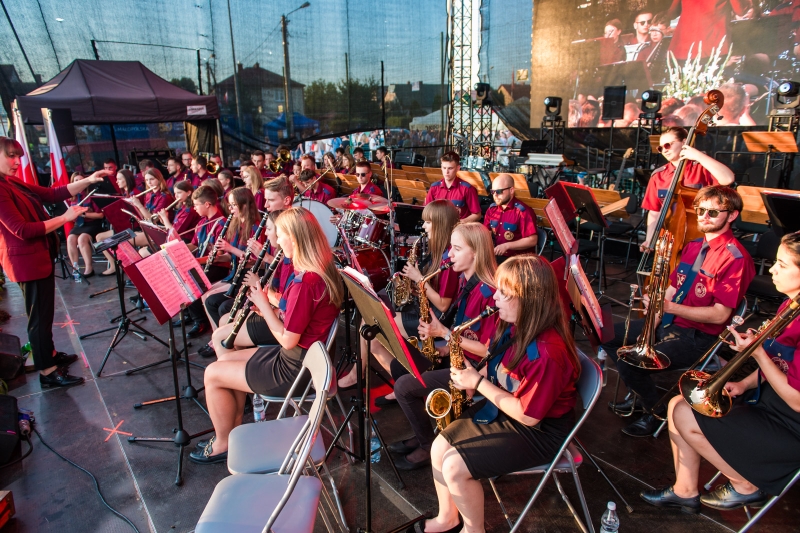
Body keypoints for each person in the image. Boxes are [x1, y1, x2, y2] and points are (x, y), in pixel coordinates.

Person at [407, 255, 580, 533]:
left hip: (540, 430)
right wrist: (470, 373)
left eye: (504, 292)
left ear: (529, 299)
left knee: (454, 468)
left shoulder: (548, 353)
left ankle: (473, 530)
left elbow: (528, 416)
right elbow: (499, 364)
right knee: (439, 446)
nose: (495, 297)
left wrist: (476, 382)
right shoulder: (515, 326)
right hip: (506, 405)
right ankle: (447, 518)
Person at [642, 230, 800, 514]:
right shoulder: (791, 305)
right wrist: (744, 383)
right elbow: (781, 365)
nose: (772, 270)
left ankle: (746, 485)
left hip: (789, 428)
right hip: (769, 404)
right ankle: (684, 491)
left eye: (782, 265)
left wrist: (757, 353)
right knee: (679, 403)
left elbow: (797, 400)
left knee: (684, 414)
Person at [190, 207, 343, 464]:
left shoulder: (306, 282)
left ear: (294, 238)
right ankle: (233, 432)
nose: (278, 241)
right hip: (304, 360)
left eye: (280, 235)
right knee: (224, 361)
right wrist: (269, 305)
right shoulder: (321, 269)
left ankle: (223, 443)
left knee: (212, 374)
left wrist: (263, 304)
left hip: (295, 369)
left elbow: (287, 339)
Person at [602, 186, 755, 437]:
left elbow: (720, 315)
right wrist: (650, 327)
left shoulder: (736, 258)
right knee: (606, 335)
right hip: (668, 322)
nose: (704, 216)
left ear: (732, 215)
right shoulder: (694, 246)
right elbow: (671, 290)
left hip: (698, 337)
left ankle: (654, 412)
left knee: (629, 363)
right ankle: (640, 392)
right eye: (700, 210)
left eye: (713, 212)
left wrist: (670, 308)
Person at [389, 223, 499, 470]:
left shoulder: (489, 293)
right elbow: (466, 331)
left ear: (476, 253)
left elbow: (488, 350)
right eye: (451, 248)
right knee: (399, 365)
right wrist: (444, 347)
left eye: (457, 249)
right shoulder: (464, 280)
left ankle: (428, 445)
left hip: (474, 369)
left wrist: (444, 333)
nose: (449, 254)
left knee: (404, 387)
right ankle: (425, 431)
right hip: (457, 355)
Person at [0, 137, 104, 387]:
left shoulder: (9, 181)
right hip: (27, 263)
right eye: (11, 156)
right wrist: (65, 218)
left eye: (18, 157)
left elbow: (51, 193)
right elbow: (22, 230)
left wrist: (88, 181)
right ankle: (47, 371)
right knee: (38, 318)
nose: (17, 162)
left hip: (38, 257)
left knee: (44, 315)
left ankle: (50, 354)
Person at [338, 200, 461, 390]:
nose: (424, 226)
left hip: (434, 319)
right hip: (426, 310)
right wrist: (414, 286)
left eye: (428, 222)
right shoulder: (437, 251)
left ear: (440, 224)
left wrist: (419, 279)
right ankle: (403, 383)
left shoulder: (449, 258)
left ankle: (359, 374)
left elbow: (444, 305)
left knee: (369, 323)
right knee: (373, 338)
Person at [203, 209, 291, 358]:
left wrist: (258, 287)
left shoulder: (288, 260)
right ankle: (235, 356)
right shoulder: (281, 254)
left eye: (269, 229)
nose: (266, 233)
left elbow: (283, 303)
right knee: (223, 319)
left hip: (279, 319)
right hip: (272, 310)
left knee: (221, 331)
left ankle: (235, 360)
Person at [641, 127, 735, 250]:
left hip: (698, 233)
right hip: (668, 237)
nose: (664, 150)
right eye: (660, 148)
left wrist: (698, 155)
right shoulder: (658, 175)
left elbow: (728, 178)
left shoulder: (701, 167)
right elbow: (655, 211)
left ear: (684, 142)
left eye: (668, 145)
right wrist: (650, 239)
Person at [187, 187, 260, 338]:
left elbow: (253, 260)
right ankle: (216, 335)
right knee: (204, 294)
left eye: (233, 205)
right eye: (230, 205)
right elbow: (231, 256)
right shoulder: (236, 225)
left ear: (244, 205)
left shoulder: (255, 228)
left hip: (247, 276)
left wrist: (229, 248)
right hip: (235, 273)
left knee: (211, 299)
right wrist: (218, 258)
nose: (230, 209)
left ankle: (221, 336)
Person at [483, 174, 538, 262]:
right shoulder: (492, 209)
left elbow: (532, 240)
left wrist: (507, 246)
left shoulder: (523, 212)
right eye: (493, 191)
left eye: (499, 191)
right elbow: (486, 233)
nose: (495, 195)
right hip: (497, 256)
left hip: (518, 260)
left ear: (511, 190)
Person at [66, 172, 105, 278]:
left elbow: (100, 215)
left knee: (82, 239)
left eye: (81, 180)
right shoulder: (71, 198)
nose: (79, 183)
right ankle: (75, 268)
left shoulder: (92, 195)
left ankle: (89, 268)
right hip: (79, 225)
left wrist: (84, 214)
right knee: (70, 239)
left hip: (93, 224)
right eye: (76, 181)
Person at [425, 152, 481, 222]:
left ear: (458, 168)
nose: (446, 172)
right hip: (438, 226)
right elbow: (426, 212)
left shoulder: (467, 189)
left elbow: (477, 215)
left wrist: (461, 222)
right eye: (444, 168)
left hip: (459, 227)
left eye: (450, 168)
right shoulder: (434, 187)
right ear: (441, 167)